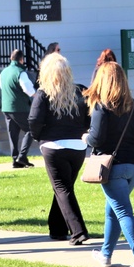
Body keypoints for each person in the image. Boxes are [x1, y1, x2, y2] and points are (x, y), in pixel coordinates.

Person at [84, 61, 134, 267]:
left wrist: (85, 136)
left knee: (123, 212)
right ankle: (106, 254)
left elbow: (96, 139)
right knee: (112, 210)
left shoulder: (101, 107)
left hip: (112, 167)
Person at [29, 53, 91, 244]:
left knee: (62, 188)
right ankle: (56, 228)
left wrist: (39, 137)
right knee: (65, 187)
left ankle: (78, 231)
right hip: (78, 146)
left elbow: (34, 120)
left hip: (53, 146)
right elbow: (90, 115)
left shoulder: (43, 94)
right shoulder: (80, 90)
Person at [0, 49, 37, 168]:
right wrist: (37, 96)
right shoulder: (21, 72)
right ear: (21, 59)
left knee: (13, 134)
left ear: (11, 58)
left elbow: (1, 86)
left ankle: (15, 159)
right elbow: (28, 90)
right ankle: (22, 156)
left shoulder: (3, 72)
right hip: (19, 107)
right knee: (31, 129)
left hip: (6, 107)